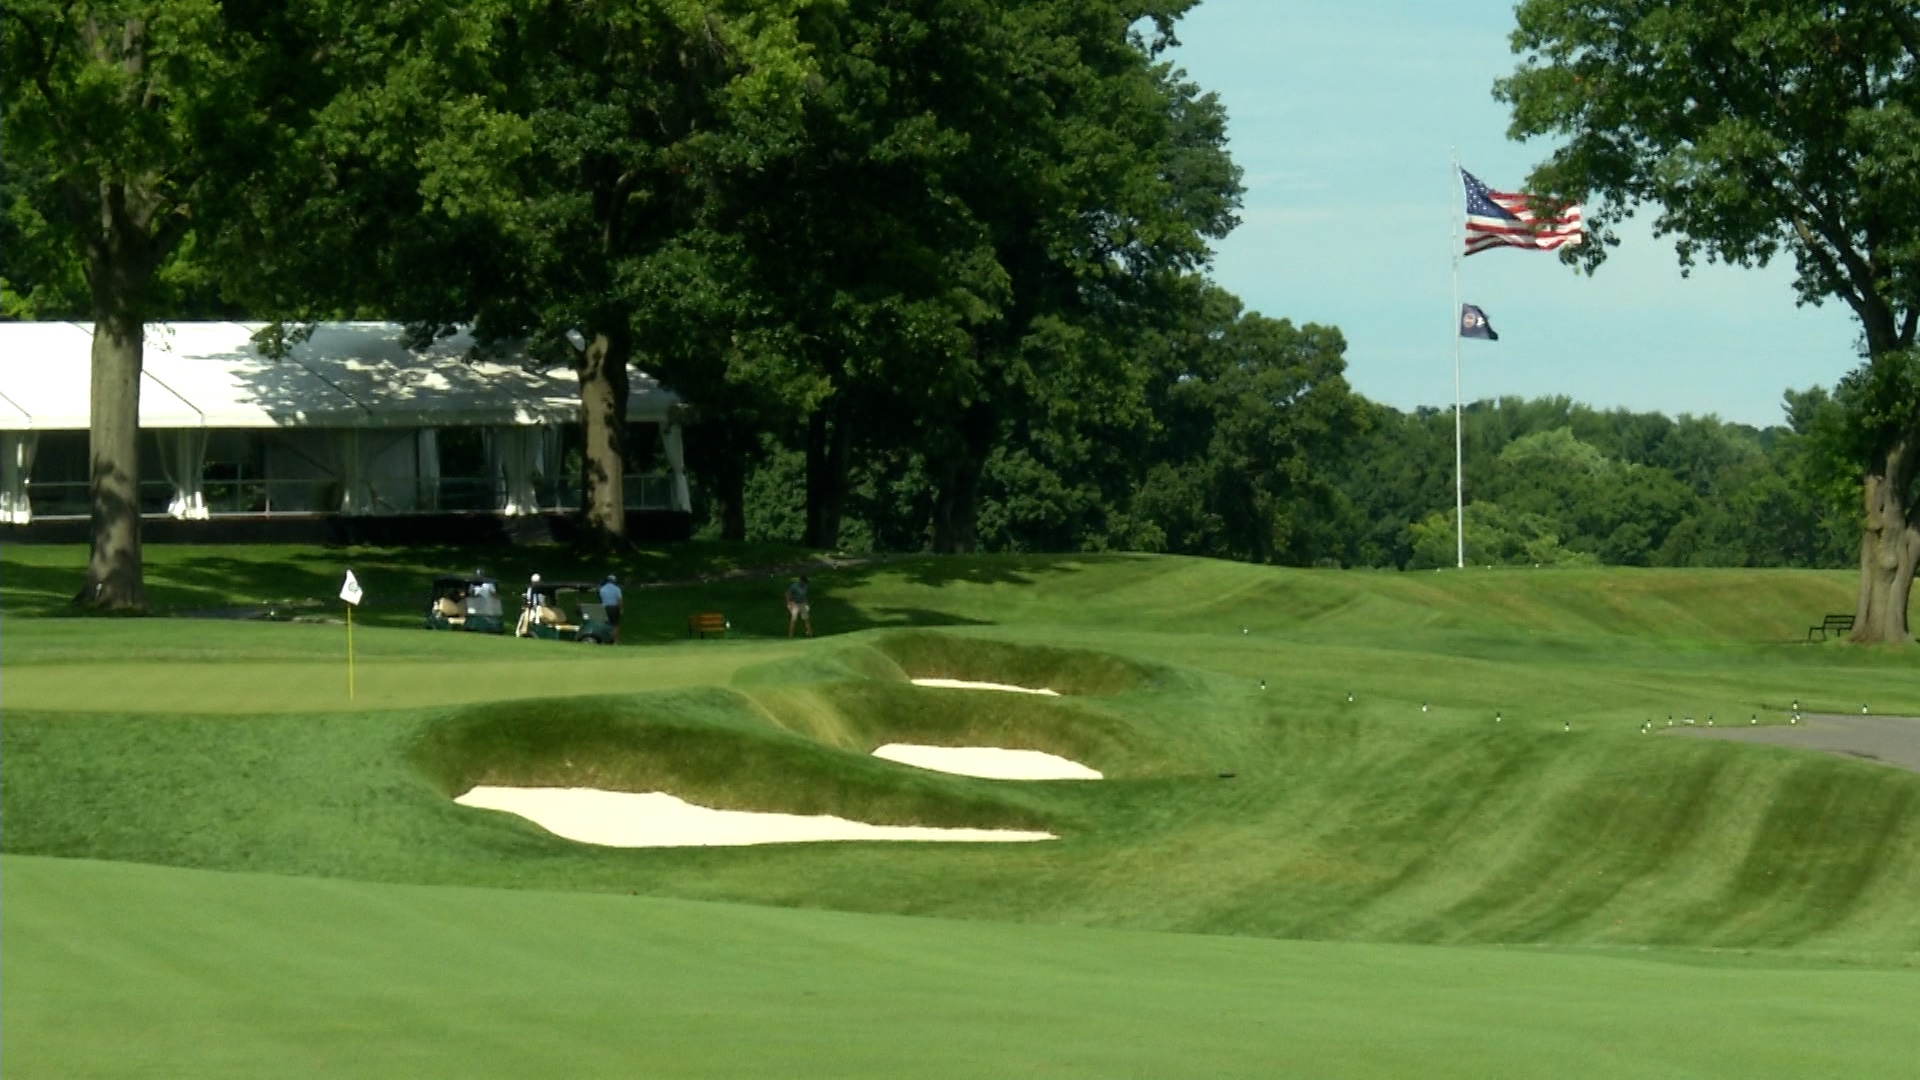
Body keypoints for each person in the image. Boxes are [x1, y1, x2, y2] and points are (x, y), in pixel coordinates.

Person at [598, 574, 624, 643]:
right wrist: (621, 609)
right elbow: (619, 600)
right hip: (614, 608)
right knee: (615, 625)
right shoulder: (617, 589)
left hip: (605, 608)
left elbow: (601, 599)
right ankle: (616, 640)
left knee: (605, 624)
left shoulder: (602, 589)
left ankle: (604, 639)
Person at [785, 574, 812, 638]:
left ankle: (810, 634)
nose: (805, 583)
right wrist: (788, 603)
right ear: (801, 581)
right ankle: (790, 635)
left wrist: (807, 604)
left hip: (803, 603)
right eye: (804, 582)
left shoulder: (805, 586)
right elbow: (787, 593)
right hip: (795, 604)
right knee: (794, 619)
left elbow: (804, 596)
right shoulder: (794, 586)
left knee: (806, 619)